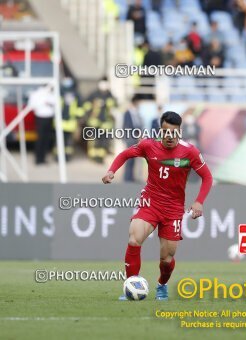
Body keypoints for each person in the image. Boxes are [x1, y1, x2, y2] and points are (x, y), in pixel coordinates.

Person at [103, 111, 213, 301]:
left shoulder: (190, 152)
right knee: (133, 239)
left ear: (180, 131)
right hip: (151, 202)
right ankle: (131, 285)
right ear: (160, 130)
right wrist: (111, 171)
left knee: (167, 258)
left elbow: (207, 177)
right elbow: (125, 154)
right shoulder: (148, 145)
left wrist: (199, 201)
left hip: (173, 209)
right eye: (165, 131)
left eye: (174, 132)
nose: (169, 136)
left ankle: (162, 285)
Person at [82, 79, 116, 163]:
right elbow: (86, 106)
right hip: (95, 122)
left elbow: (114, 107)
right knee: (94, 141)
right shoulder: (94, 94)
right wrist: (93, 106)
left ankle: (100, 157)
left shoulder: (110, 95)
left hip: (106, 123)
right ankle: (93, 156)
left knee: (103, 141)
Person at [29, 84, 55, 165]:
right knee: (40, 139)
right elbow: (32, 105)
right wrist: (42, 104)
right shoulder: (36, 94)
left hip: (49, 118)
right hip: (40, 117)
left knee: (46, 139)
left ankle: (43, 158)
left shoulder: (51, 94)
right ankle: (38, 159)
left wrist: (50, 103)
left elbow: (56, 103)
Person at [59, 77, 83, 161]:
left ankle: (67, 156)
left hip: (70, 122)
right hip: (60, 121)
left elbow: (80, 108)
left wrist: (77, 116)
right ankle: (58, 156)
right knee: (59, 140)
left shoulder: (76, 94)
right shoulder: (59, 92)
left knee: (69, 141)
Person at [122, 95, 143, 182]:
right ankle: (127, 177)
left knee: (133, 158)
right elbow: (128, 126)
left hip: (135, 138)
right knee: (129, 158)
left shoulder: (137, 113)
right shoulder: (128, 113)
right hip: (130, 137)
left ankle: (131, 176)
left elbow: (138, 125)